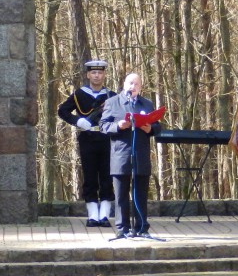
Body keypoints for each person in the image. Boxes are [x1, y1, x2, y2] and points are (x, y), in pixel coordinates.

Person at [99, 73, 161, 238]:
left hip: (140, 154)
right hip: (121, 155)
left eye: (136, 84)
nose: (133, 87)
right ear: (124, 84)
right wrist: (118, 126)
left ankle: (141, 227)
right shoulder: (113, 102)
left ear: (140, 87)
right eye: (130, 83)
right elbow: (103, 126)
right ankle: (122, 228)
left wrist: (151, 129)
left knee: (140, 194)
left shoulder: (146, 103)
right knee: (121, 195)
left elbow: (157, 126)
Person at [57, 60, 116, 226]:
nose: (97, 76)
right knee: (90, 176)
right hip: (88, 139)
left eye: (100, 72)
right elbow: (62, 111)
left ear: (104, 75)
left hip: (106, 139)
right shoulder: (79, 94)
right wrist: (77, 121)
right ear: (88, 75)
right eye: (93, 73)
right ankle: (92, 214)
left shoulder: (112, 96)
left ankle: (104, 215)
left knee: (107, 176)